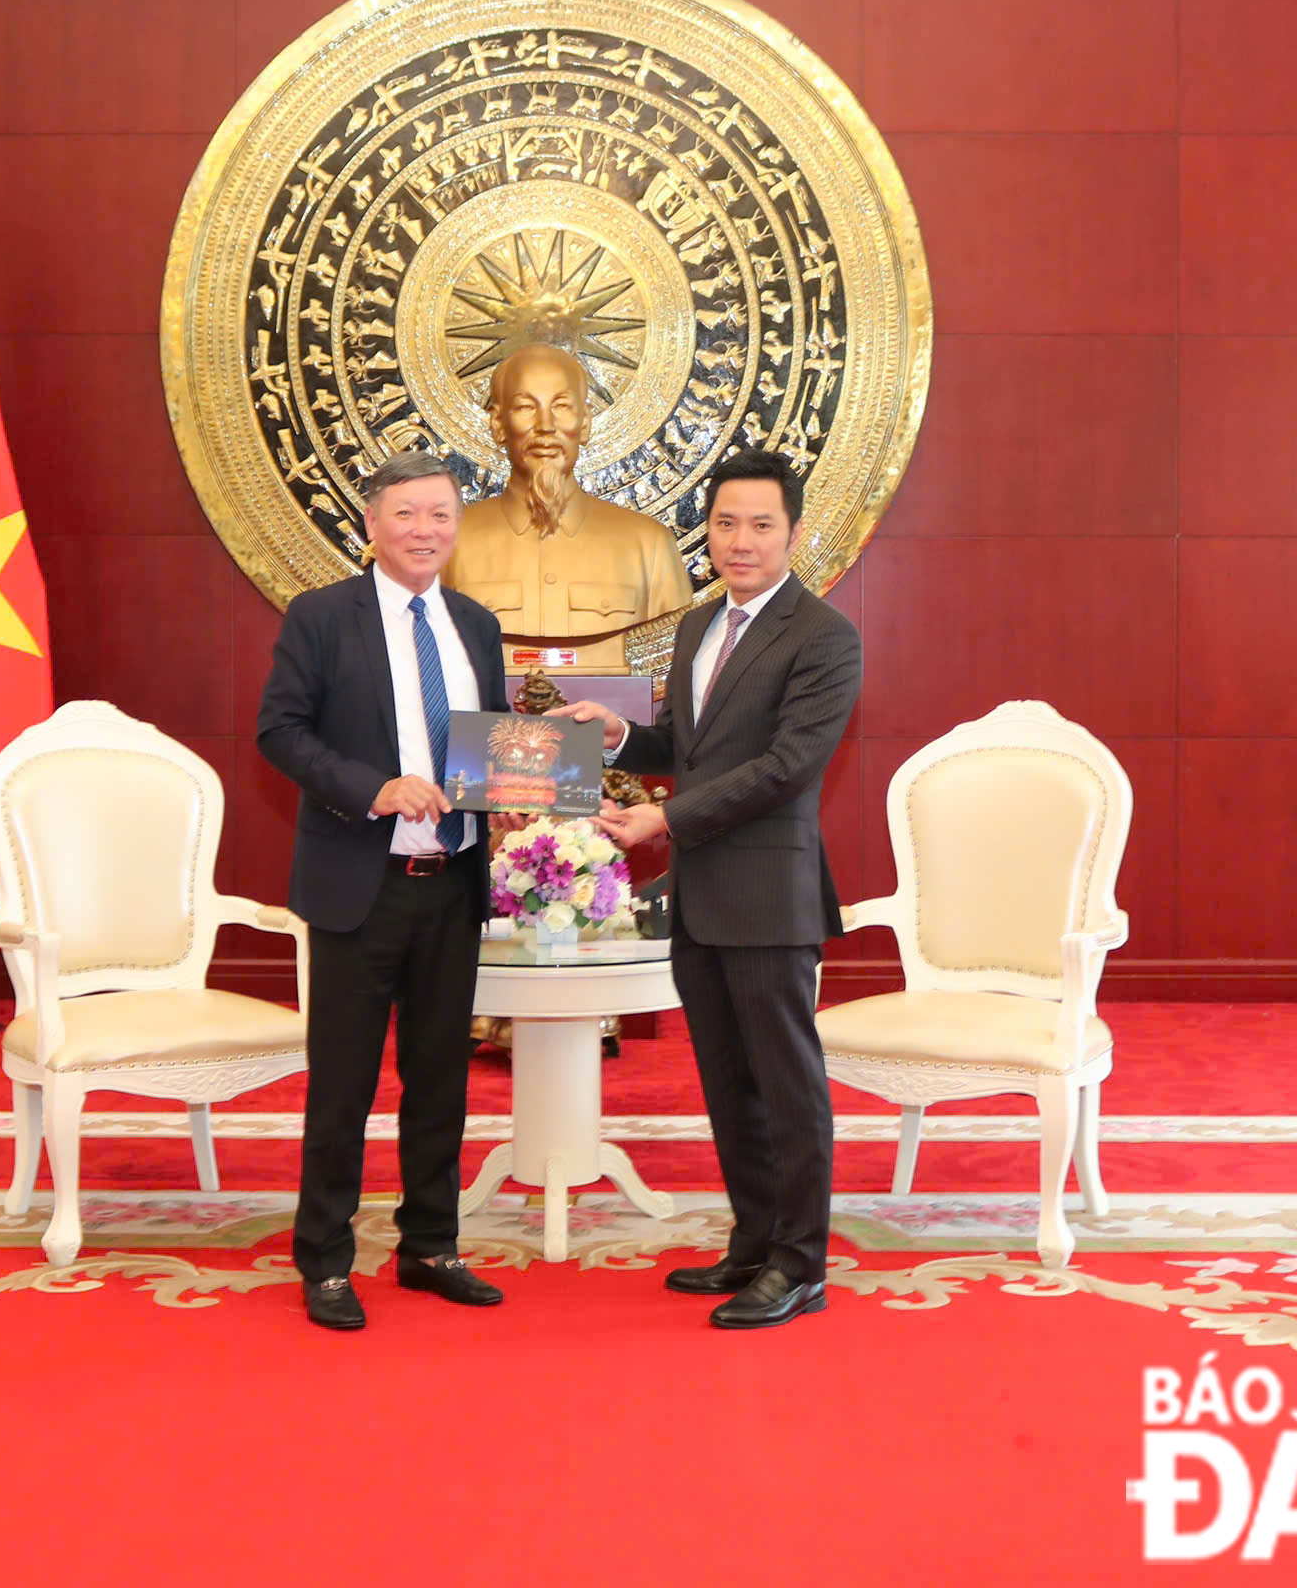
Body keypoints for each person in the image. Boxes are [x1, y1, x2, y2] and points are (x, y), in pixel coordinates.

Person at [560, 448, 861, 1329]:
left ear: (793, 534)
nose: (741, 541)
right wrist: (621, 737)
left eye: (762, 525)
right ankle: (755, 1241)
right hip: (699, 895)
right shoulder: (698, 628)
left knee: (786, 1084)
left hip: (769, 895)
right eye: (726, 523)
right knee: (728, 1083)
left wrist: (668, 821)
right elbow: (689, 750)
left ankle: (802, 1264)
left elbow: (784, 767)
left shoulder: (824, 637)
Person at [256, 451, 512, 1331]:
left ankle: (430, 1247)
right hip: (361, 884)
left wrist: (520, 794)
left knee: (440, 1078)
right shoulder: (322, 617)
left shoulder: (476, 625)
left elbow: (488, 749)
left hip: (453, 883)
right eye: (407, 514)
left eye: (440, 514)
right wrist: (374, 787)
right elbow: (279, 731)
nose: (425, 531)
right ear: (370, 521)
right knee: (344, 1086)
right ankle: (325, 1260)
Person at [444, 342, 695, 650]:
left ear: (585, 423)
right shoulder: (448, 541)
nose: (545, 427)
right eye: (525, 407)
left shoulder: (649, 545)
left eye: (561, 406)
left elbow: (674, 670)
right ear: (498, 424)